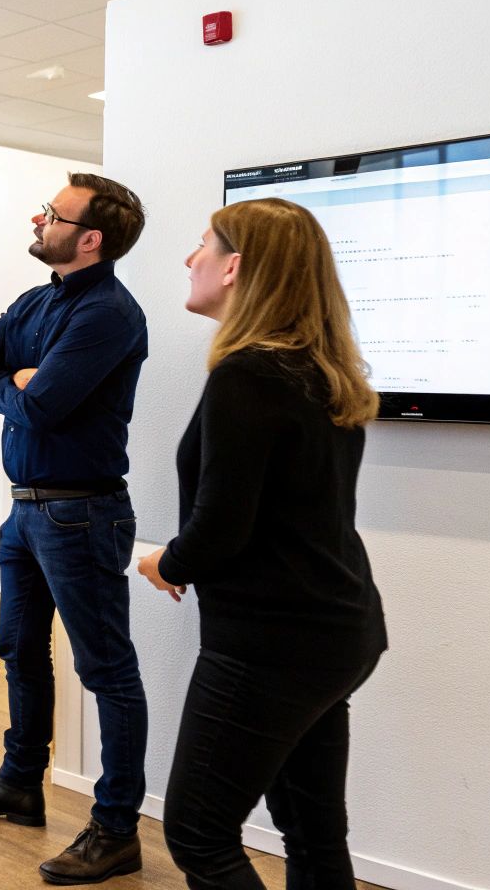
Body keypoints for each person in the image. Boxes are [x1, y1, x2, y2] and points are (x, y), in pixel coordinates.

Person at [135, 197, 389, 890]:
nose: (191, 261)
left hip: (271, 646)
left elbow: (223, 526)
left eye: (202, 247)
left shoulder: (248, 374)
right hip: (338, 631)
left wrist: (167, 561)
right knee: (311, 834)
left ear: (236, 266)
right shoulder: (320, 372)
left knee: (196, 830)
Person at [0, 174, 151, 885]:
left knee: (105, 669)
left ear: (90, 239)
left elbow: (45, 407)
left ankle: (116, 829)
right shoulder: (36, 300)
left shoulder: (110, 313)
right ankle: (21, 783)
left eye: (53, 214)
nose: (38, 218)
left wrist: (27, 387)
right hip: (28, 511)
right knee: (18, 645)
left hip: (83, 512)